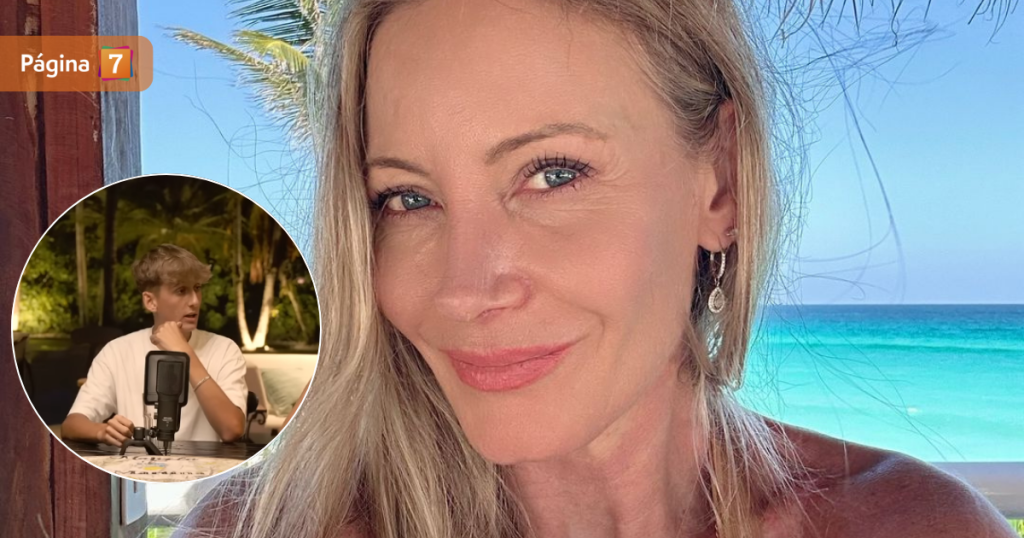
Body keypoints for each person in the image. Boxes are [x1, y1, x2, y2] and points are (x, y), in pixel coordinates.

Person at [180, 0, 1016, 537]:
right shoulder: (265, 529)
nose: (466, 289)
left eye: (552, 174)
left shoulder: (911, 526)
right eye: (407, 198)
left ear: (720, 182)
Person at [63, 244, 247, 445]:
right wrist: (102, 431)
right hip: (137, 463)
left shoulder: (224, 349)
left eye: (197, 288)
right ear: (150, 302)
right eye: (181, 290)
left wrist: (183, 351)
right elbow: (71, 424)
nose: (195, 301)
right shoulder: (116, 352)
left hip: (204, 465)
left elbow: (232, 429)